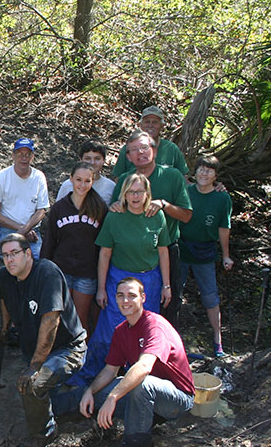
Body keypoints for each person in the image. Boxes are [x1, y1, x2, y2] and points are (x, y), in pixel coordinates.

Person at [68, 173, 171, 387]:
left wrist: (166, 285)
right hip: (119, 278)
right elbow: (104, 254)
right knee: (110, 331)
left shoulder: (156, 216)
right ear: (124, 194)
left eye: (139, 192)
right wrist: (102, 289)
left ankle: (139, 379)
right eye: (131, 192)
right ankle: (94, 376)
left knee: (145, 329)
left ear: (147, 194)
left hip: (149, 281)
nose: (135, 196)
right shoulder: (114, 217)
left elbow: (163, 252)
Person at [78, 277, 194, 447]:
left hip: (177, 399)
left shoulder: (155, 325)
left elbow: (144, 366)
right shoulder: (121, 331)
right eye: (121, 296)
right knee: (97, 394)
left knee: (142, 383)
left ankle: (136, 444)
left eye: (132, 296)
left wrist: (113, 397)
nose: (125, 301)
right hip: (147, 396)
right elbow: (110, 370)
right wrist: (90, 391)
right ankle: (122, 423)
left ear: (143, 298)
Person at [0, 233, 87, 447]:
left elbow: (51, 320)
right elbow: (4, 301)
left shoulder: (47, 273)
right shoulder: (4, 276)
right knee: (47, 398)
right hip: (34, 347)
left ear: (28, 253)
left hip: (67, 348)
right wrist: (5, 328)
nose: (9, 260)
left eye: (14, 254)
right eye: (5, 255)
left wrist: (35, 366)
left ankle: (44, 434)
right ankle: (76, 403)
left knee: (33, 384)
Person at [111, 129, 192, 330]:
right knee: (127, 306)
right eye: (134, 150)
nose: (141, 153)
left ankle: (163, 350)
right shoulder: (124, 180)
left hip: (165, 250)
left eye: (145, 147)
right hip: (128, 256)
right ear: (128, 157)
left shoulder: (171, 176)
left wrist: (164, 204)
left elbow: (187, 215)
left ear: (154, 151)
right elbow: (114, 210)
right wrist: (116, 206)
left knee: (168, 303)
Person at [41, 162, 107, 335]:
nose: (82, 185)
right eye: (78, 179)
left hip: (86, 273)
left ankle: (82, 359)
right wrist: (43, 269)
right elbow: (50, 240)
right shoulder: (59, 207)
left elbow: (104, 247)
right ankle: (58, 357)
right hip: (61, 271)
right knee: (58, 318)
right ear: (71, 179)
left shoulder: (99, 208)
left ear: (93, 182)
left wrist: (102, 280)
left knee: (80, 319)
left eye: (87, 181)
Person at [179, 156, 234, 357]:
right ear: (195, 172)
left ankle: (218, 342)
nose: (204, 173)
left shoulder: (222, 198)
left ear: (216, 176)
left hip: (206, 251)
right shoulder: (186, 192)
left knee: (210, 296)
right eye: (201, 169)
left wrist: (226, 256)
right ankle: (172, 340)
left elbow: (223, 228)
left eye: (209, 171)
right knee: (174, 294)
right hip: (182, 248)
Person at [0, 138, 50, 259]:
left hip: (33, 230)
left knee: (38, 262)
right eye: (20, 154)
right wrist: (21, 230)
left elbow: (42, 210)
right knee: (13, 261)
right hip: (8, 229)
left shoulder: (39, 177)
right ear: (13, 156)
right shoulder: (1, 178)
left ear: (33, 156)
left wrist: (25, 229)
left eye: (28, 154)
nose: (24, 158)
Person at [112, 106, 188, 177]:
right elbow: (118, 178)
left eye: (155, 122)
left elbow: (183, 178)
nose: (150, 125)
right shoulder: (128, 149)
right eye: (147, 122)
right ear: (140, 125)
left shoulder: (171, 149)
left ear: (162, 126)